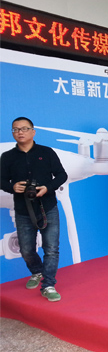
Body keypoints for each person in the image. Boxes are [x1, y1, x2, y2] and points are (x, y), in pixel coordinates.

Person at [1, 117, 68, 301]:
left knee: (51, 248)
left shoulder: (46, 152)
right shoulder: (7, 157)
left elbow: (62, 175)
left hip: (48, 207)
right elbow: (1, 180)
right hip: (23, 210)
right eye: (16, 129)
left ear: (33, 131)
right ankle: (37, 271)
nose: (20, 132)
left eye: (24, 128)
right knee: (26, 249)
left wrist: (48, 187)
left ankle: (48, 285)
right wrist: (12, 187)